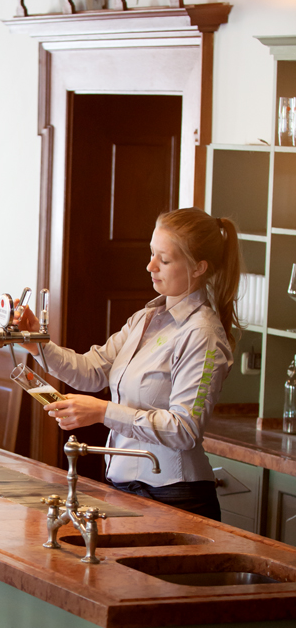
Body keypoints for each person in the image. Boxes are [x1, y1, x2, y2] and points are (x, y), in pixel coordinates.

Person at [18, 208, 241, 521]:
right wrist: (37, 343)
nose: (150, 266)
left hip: (176, 497)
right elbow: (91, 370)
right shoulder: (145, 319)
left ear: (198, 267)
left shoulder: (202, 334)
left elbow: (185, 429)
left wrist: (102, 412)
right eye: (151, 254)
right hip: (123, 486)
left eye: (164, 259)